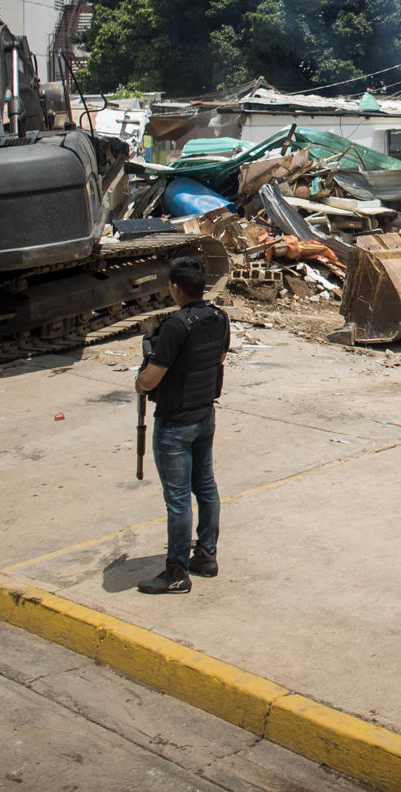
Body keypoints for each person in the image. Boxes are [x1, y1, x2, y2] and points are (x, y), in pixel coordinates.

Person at [134, 255, 229, 595]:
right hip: (205, 415)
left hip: (175, 423)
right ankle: (206, 555)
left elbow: (150, 379)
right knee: (205, 486)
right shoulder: (219, 318)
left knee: (177, 499)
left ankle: (176, 571)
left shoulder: (175, 327)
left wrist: (140, 380)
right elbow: (218, 360)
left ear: (175, 288)